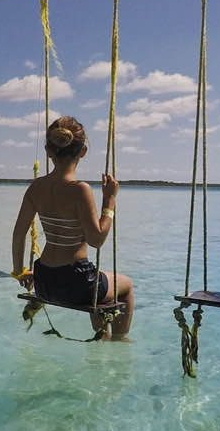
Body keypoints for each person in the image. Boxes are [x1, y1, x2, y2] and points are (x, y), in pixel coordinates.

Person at [11, 116, 135, 340]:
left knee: (101, 288)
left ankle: (101, 332)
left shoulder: (36, 187)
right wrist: (109, 202)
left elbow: (18, 235)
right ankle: (119, 342)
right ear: (83, 151)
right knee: (125, 286)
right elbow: (96, 239)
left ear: (49, 150)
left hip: (44, 281)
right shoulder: (80, 190)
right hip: (76, 285)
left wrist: (19, 271)